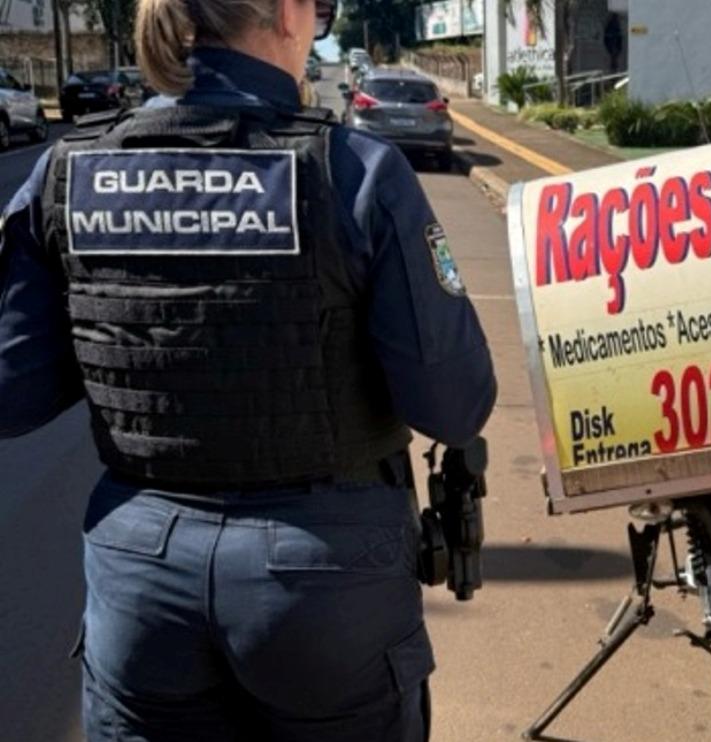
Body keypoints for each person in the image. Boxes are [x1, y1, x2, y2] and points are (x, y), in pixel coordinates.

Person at [0, 0, 496, 736]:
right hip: (326, 584)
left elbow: (13, 394)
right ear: (289, 14)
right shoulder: (353, 169)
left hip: (141, 582)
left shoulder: (66, 172)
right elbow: (455, 405)